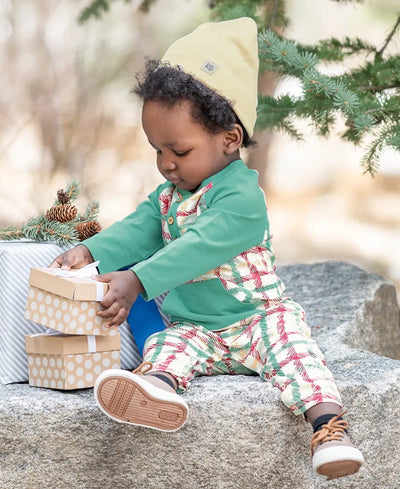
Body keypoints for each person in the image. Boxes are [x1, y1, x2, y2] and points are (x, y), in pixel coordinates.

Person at [50, 17, 364, 480]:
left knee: (296, 354)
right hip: (199, 327)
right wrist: (93, 251)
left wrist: (138, 279)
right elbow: (140, 228)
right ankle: (155, 391)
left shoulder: (242, 198)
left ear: (229, 138)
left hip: (258, 320)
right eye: (156, 150)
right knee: (167, 345)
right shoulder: (169, 197)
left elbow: (200, 247)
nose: (166, 163)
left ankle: (328, 429)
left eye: (178, 150)